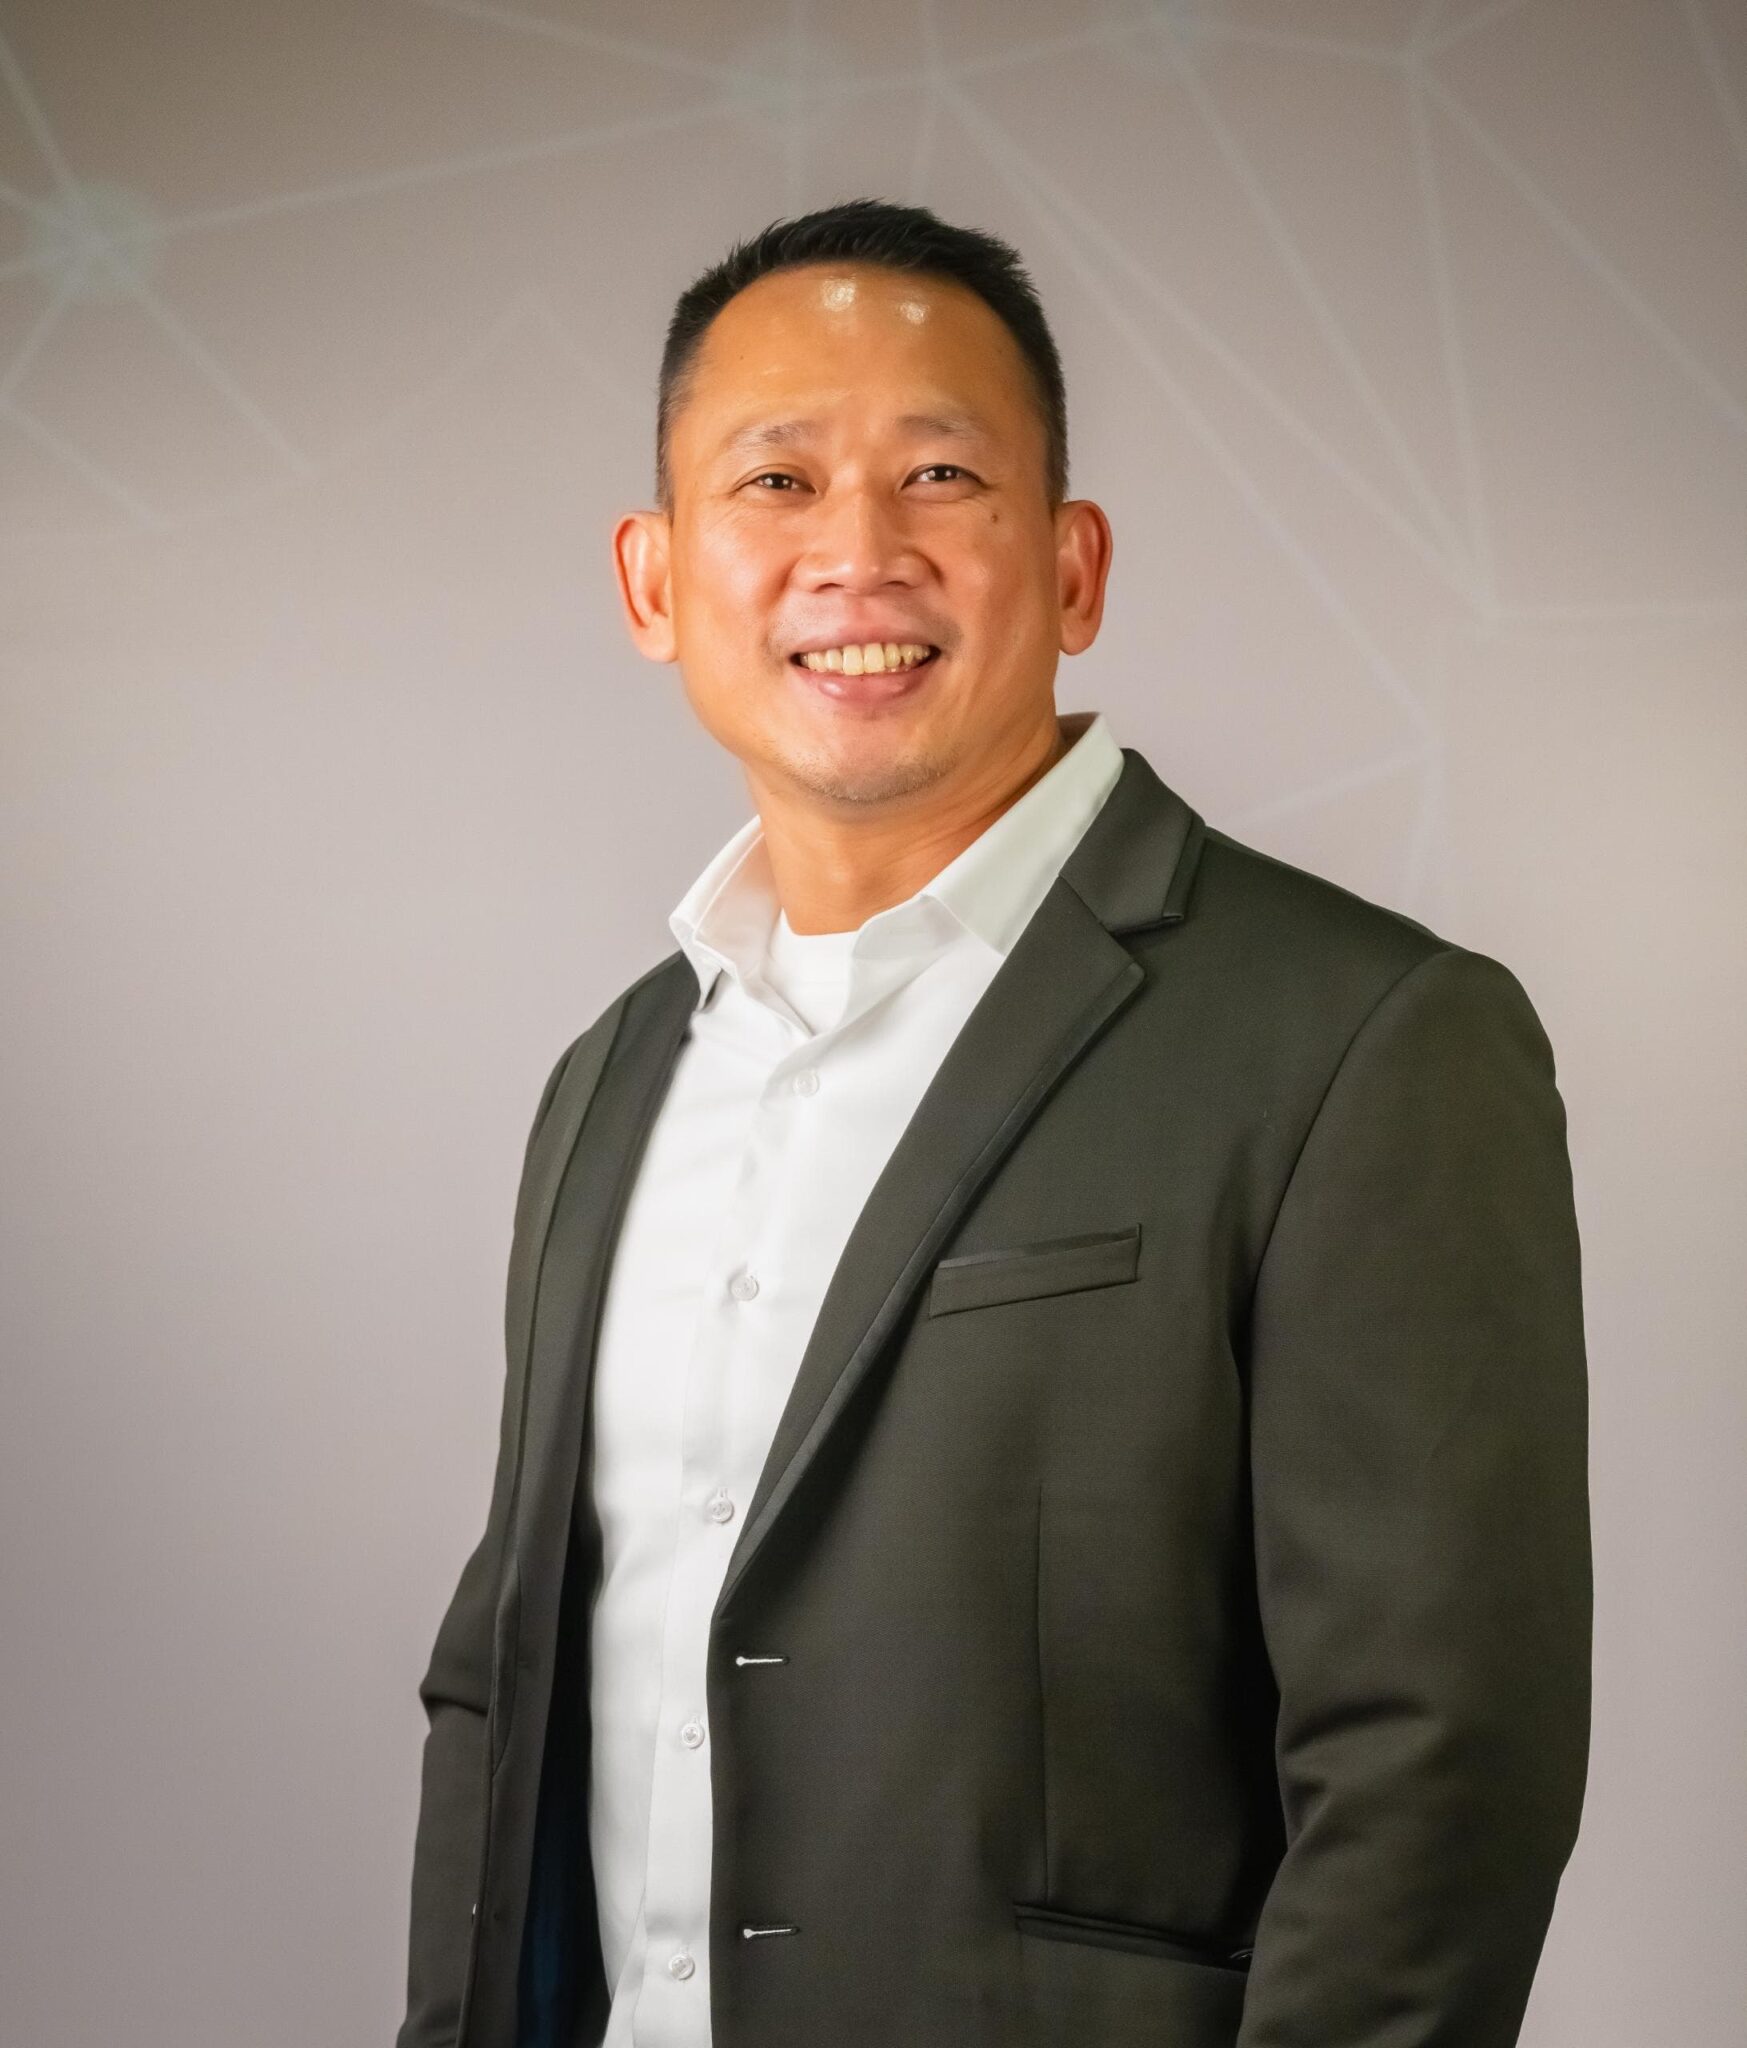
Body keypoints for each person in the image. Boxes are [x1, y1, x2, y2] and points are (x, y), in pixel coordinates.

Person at [394, 198, 1591, 2048]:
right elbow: (509, 1675)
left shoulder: (1365, 1041)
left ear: (1074, 565)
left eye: (940, 475)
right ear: (654, 582)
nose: (858, 554)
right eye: (777, 482)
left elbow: (1435, 1767)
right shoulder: (614, 1075)